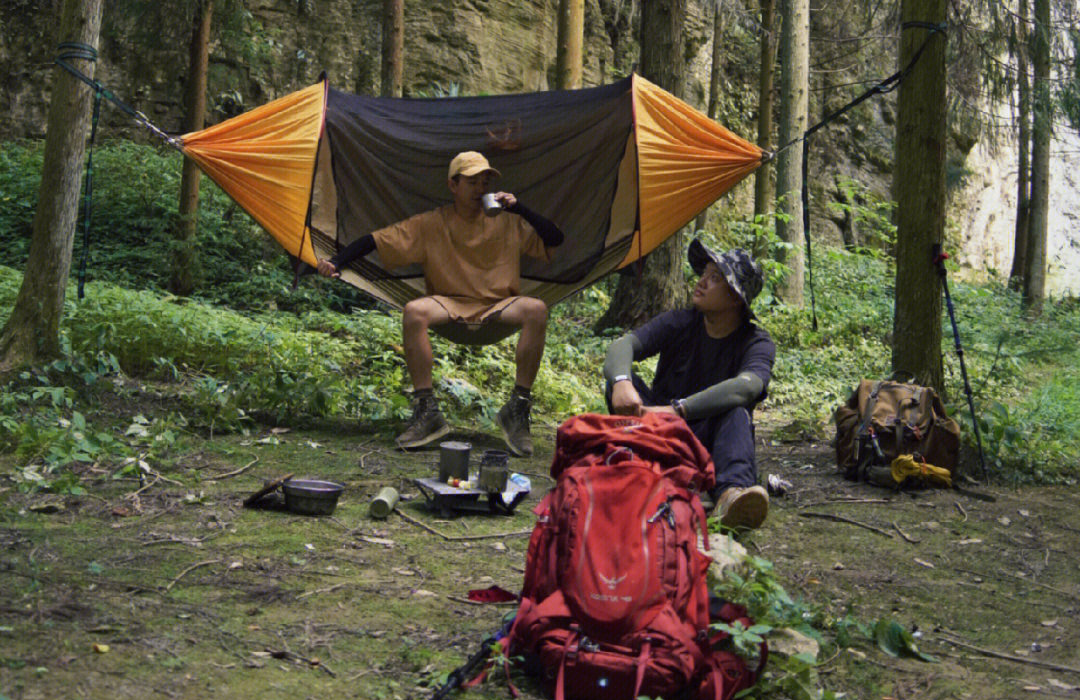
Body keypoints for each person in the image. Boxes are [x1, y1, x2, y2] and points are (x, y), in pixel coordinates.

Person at [317, 150, 563, 457]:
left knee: (536, 309)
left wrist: (521, 207)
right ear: (453, 186)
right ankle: (427, 410)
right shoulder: (432, 223)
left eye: (484, 181)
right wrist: (337, 261)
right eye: (472, 182)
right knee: (414, 310)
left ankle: (518, 407)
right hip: (449, 302)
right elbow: (376, 240)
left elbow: (555, 239)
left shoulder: (508, 222)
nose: (480, 188)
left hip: (500, 304)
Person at [602, 238, 775, 529]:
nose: (702, 283)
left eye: (715, 278)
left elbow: (747, 386)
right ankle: (650, 471)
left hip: (711, 441)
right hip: (659, 432)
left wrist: (679, 410)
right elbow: (623, 346)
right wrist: (621, 381)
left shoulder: (756, 342)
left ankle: (731, 496)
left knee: (737, 412)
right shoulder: (681, 321)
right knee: (620, 384)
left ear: (735, 297)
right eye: (704, 274)